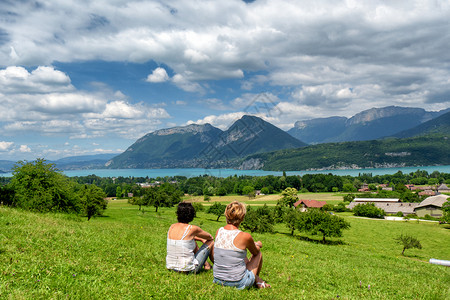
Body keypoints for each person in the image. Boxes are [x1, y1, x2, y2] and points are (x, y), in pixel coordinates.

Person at [213, 201, 270, 289]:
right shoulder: (245, 236)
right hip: (238, 282)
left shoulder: (218, 231)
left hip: (217, 279)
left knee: (240, 254)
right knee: (258, 254)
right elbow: (255, 252)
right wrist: (258, 244)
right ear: (242, 217)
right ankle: (256, 281)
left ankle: (257, 280)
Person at [166, 202, 214, 274]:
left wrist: (199, 239)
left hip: (170, 267)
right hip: (188, 270)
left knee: (191, 242)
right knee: (211, 242)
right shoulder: (192, 229)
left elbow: (187, 238)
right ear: (191, 215)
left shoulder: (172, 227)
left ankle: (207, 265)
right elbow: (210, 237)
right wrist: (202, 239)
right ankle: (218, 267)